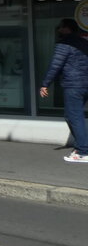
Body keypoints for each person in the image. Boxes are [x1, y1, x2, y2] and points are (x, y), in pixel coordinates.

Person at [39, 18, 88, 164]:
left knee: (74, 116)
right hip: (84, 85)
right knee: (71, 115)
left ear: (67, 29)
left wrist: (45, 84)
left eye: (60, 27)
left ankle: (83, 151)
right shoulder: (84, 43)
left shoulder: (64, 44)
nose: (58, 30)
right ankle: (81, 146)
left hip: (74, 85)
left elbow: (55, 65)